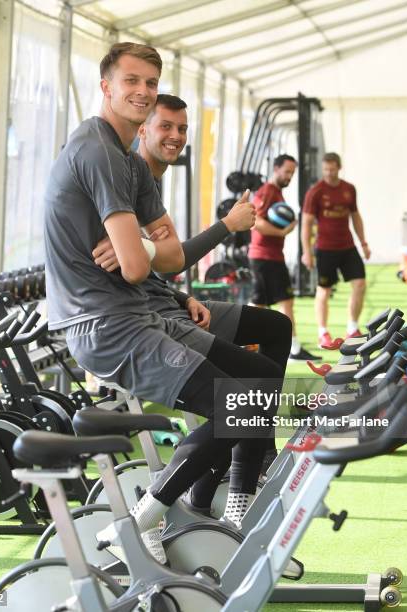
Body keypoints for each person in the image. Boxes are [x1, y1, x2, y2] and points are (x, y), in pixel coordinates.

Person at [44, 42, 283, 563]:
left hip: (141, 314)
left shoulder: (131, 161)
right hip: (104, 325)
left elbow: (168, 258)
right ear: (106, 87)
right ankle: (141, 519)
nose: (143, 92)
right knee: (232, 402)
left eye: (151, 83)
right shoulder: (99, 151)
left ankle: (235, 498)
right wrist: (145, 252)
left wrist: (145, 247)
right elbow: (135, 267)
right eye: (132, 81)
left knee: (258, 377)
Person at [91, 94, 292, 508]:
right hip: (143, 321)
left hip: (167, 303)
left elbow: (161, 263)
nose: (176, 137)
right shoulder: (121, 178)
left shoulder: (148, 181)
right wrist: (226, 226)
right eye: (165, 127)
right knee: (250, 389)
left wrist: (181, 294)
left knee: (275, 332)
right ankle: (223, 490)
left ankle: (253, 457)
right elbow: (159, 259)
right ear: (142, 128)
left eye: (182, 129)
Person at [248, 154, 320, 361]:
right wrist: (283, 231)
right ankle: (293, 349)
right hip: (265, 257)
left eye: (292, 173)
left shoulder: (275, 192)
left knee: (259, 303)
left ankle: (248, 344)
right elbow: (256, 222)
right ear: (276, 169)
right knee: (284, 301)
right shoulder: (268, 191)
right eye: (287, 171)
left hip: (268, 256)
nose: (289, 176)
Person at [301, 152, 371, 348]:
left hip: (347, 247)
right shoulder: (315, 192)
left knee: (360, 284)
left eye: (332, 169)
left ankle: (352, 328)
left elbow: (355, 217)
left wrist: (363, 243)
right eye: (325, 169)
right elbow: (306, 224)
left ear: (339, 168)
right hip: (325, 249)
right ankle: (323, 333)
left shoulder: (349, 189)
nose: (329, 173)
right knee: (324, 290)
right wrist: (307, 251)